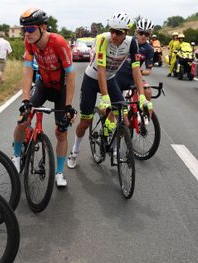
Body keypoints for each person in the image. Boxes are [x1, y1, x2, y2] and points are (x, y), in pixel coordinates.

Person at [68, 12, 148, 169]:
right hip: (92, 79)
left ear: (126, 32)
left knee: (123, 117)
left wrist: (143, 97)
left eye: (118, 32)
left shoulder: (132, 43)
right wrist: (105, 97)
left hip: (110, 79)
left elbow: (136, 70)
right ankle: (75, 151)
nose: (114, 35)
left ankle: (116, 149)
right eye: (112, 30)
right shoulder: (104, 39)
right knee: (85, 122)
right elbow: (101, 69)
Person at [11, 8, 76, 187]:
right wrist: (25, 100)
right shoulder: (29, 42)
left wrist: (69, 106)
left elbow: (71, 75)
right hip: (43, 85)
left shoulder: (58, 42)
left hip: (61, 89)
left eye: (31, 29)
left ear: (43, 27)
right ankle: (16, 156)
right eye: (24, 29)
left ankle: (59, 172)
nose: (27, 33)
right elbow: (27, 68)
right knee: (22, 119)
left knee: (61, 131)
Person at [116, 18, 155, 103]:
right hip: (118, 75)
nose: (143, 36)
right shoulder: (126, 41)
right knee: (111, 106)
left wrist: (140, 71)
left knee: (147, 91)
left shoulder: (149, 49)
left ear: (150, 35)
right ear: (136, 32)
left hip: (134, 77)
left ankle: (147, 115)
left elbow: (148, 71)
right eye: (141, 33)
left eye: (147, 34)